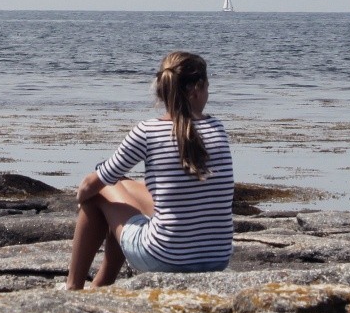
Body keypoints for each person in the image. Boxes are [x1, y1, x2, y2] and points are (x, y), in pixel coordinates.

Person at [66, 50, 234, 289]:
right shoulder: (217, 127)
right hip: (216, 258)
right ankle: (100, 285)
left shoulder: (147, 131)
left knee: (101, 191)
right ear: (197, 89)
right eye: (208, 87)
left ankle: (74, 286)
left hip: (164, 258)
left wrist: (82, 198)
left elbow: (93, 184)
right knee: (123, 183)